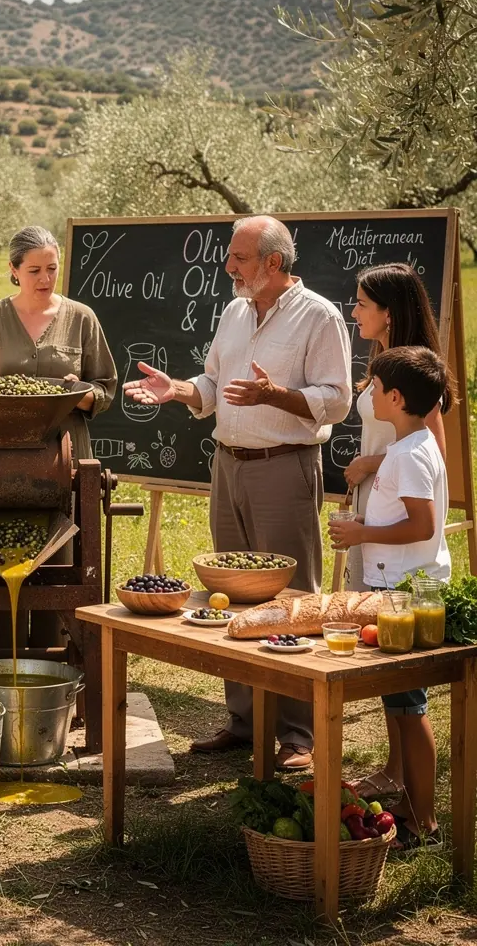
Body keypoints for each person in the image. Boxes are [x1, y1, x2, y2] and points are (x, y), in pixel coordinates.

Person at [124, 215, 352, 770]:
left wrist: (275, 396)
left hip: (283, 467)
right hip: (227, 467)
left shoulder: (319, 316)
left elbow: (337, 400)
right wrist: (177, 390)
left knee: (291, 596)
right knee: (231, 591)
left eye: (239, 259)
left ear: (273, 263)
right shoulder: (233, 310)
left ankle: (298, 734)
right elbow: (212, 385)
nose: (227, 267)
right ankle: (245, 722)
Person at [0, 225, 117, 650]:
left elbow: (105, 387)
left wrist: (82, 394)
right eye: (34, 270)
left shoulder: (81, 318)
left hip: (63, 460)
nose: (45, 279)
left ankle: (56, 671)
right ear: (14, 270)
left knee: (61, 562)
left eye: (52, 268)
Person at [341, 263, 453, 805]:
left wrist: (369, 464)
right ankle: (396, 772)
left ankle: (415, 797)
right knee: (394, 680)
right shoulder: (385, 361)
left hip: (397, 535)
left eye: (362, 303)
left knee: (406, 685)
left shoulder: (412, 372)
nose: (354, 311)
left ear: (389, 310)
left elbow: (431, 451)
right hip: (382, 514)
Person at [329, 347, 449, 853]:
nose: (369, 395)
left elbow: (422, 525)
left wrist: (360, 534)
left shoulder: (407, 454)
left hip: (403, 591)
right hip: (396, 588)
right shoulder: (414, 444)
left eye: (374, 389)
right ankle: (413, 807)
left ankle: (425, 824)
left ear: (396, 398)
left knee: (411, 704)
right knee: (400, 703)